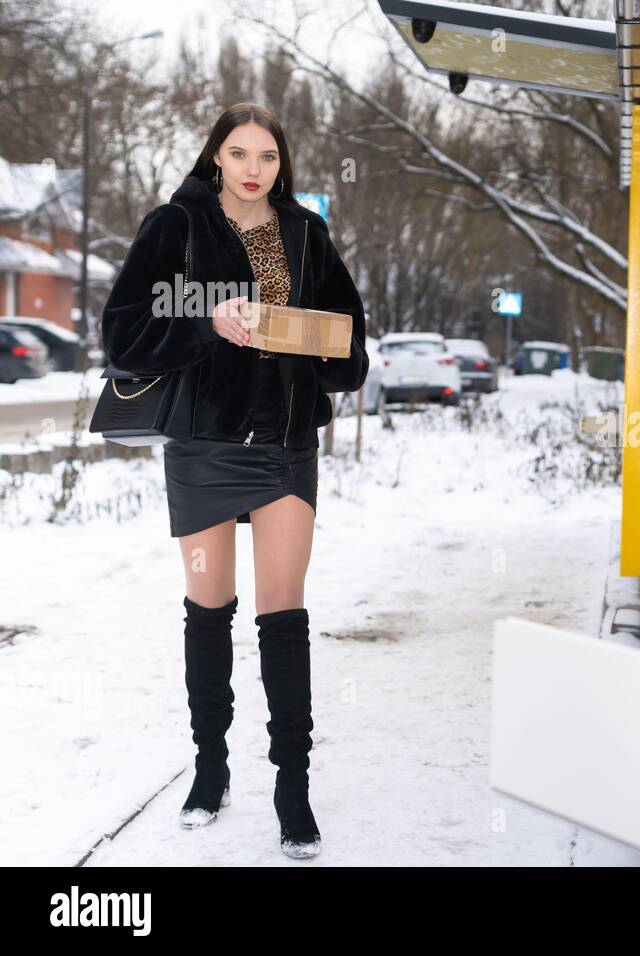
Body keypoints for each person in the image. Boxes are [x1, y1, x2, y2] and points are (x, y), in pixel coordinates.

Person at [101, 102, 369, 859]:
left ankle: (293, 789)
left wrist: (327, 352)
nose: (255, 169)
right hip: (202, 444)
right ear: (216, 156)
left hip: (284, 444)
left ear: (282, 166)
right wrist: (206, 323)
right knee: (208, 608)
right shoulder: (174, 226)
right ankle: (210, 770)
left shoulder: (306, 234)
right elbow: (121, 334)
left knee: (283, 616)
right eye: (240, 153)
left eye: (269, 158)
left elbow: (352, 345)